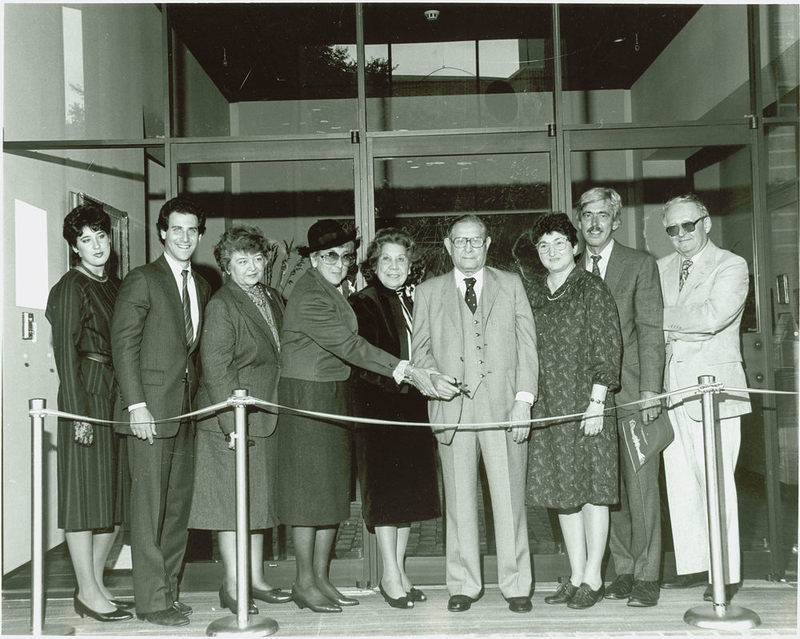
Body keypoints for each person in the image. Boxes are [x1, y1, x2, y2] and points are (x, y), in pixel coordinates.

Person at [276, 219, 437, 614]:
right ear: (314, 258)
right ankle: (303, 582)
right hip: (308, 395)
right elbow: (349, 344)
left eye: (345, 256)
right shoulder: (311, 294)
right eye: (329, 256)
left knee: (329, 491)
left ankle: (321, 579)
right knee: (306, 494)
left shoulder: (332, 289)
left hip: (332, 394)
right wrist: (405, 369)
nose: (338, 262)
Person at [411, 214, 537, 614]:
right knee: (460, 503)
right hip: (454, 410)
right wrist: (433, 380)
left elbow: (528, 346)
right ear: (448, 246)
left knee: (510, 500)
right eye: (460, 241)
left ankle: (517, 585)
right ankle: (463, 584)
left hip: (503, 407)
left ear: (487, 244)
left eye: (475, 240)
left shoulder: (511, 284)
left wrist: (524, 400)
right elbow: (420, 354)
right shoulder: (428, 292)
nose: (467, 248)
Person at [111, 197, 210, 626]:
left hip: (185, 415)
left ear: (199, 235)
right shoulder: (142, 279)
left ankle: (167, 592)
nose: (185, 237)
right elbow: (124, 346)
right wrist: (137, 405)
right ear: (162, 233)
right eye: (177, 229)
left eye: (193, 230)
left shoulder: (202, 285)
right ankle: (150, 602)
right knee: (149, 510)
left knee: (176, 510)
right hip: (149, 411)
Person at [188, 226, 292, 615]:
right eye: (241, 261)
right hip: (228, 423)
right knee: (231, 508)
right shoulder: (223, 305)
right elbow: (216, 370)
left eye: (257, 259)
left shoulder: (270, 297)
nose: (251, 266)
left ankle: (256, 580)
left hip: (263, 417)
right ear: (227, 266)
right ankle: (233, 587)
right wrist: (234, 427)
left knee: (256, 502)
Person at [523, 212, 621, 610]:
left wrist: (597, 402)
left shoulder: (591, 289)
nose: (551, 251)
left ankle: (594, 575)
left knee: (593, 491)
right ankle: (577, 572)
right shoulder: (535, 293)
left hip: (586, 404)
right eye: (543, 245)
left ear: (575, 247)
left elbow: (607, 349)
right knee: (563, 491)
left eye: (559, 243)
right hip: (549, 406)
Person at [575, 187, 666, 608]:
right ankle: (624, 569)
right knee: (604, 487)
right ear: (579, 222)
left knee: (642, 486)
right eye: (587, 215)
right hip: (587, 401)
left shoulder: (639, 264)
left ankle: (648, 574)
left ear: (616, 220)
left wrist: (651, 389)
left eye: (602, 215)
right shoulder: (568, 267)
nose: (594, 222)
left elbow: (650, 330)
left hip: (630, 392)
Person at [657, 194, 751, 603]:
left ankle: (725, 571)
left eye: (687, 226)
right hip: (672, 390)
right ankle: (695, 564)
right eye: (672, 229)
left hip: (714, 391)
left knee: (716, 483)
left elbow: (714, 317)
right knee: (680, 483)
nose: (680, 236)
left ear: (706, 223)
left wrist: (661, 320)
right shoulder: (660, 268)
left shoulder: (731, 265)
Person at [46, 204, 133, 623]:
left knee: (113, 506)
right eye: (86, 239)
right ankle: (87, 589)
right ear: (74, 247)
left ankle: (94, 588)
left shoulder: (115, 286)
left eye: (101, 236)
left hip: (115, 398)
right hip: (87, 398)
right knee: (84, 501)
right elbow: (65, 356)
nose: (97, 245)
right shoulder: (69, 288)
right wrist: (78, 415)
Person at [349, 228, 441, 610]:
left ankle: (401, 572)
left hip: (412, 409)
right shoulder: (363, 302)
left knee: (408, 497)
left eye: (400, 259)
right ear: (374, 264)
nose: (394, 266)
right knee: (387, 495)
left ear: (410, 264)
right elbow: (361, 360)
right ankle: (389, 575)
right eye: (385, 259)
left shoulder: (412, 301)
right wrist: (400, 382)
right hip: (379, 410)